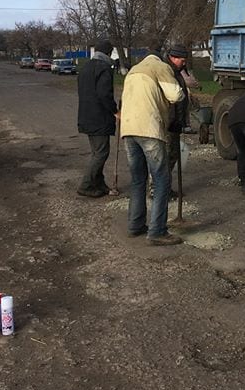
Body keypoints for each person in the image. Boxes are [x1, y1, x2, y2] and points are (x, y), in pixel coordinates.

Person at [119, 49, 186, 245]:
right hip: (149, 129)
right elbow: (175, 95)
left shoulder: (133, 70)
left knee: (138, 179)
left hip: (128, 130)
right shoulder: (161, 67)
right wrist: (182, 92)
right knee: (161, 179)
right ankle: (157, 231)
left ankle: (135, 225)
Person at [76, 39, 117, 198]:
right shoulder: (104, 68)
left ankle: (99, 183)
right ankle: (86, 185)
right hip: (99, 117)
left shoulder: (85, 67)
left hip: (86, 115)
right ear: (108, 53)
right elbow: (104, 94)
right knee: (101, 153)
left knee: (97, 152)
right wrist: (115, 111)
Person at [164, 44, 194, 194]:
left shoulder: (176, 72)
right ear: (173, 58)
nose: (184, 63)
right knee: (166, 156)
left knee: (173, 154)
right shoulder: (167, 72)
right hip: (168, 122)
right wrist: (172, 121)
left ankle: (164, 187)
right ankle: (158, 189)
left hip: (175, 121)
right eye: (182, 60)